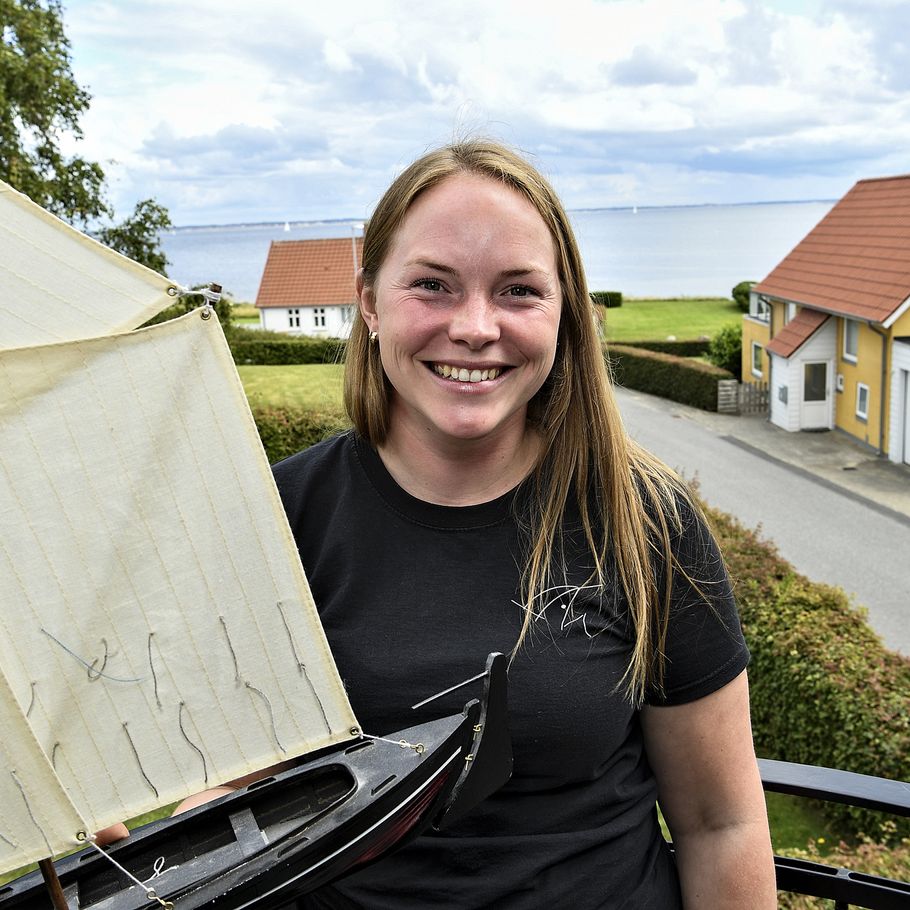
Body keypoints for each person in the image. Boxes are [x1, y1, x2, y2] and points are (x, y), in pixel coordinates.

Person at [271, 139, 777, 909]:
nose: (476, 328)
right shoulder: (279, 520)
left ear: (565, 310)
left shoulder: (646, 523)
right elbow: (233, 803)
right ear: (370, 302)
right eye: (433, 286)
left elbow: (721, 824)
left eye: (518, 291)